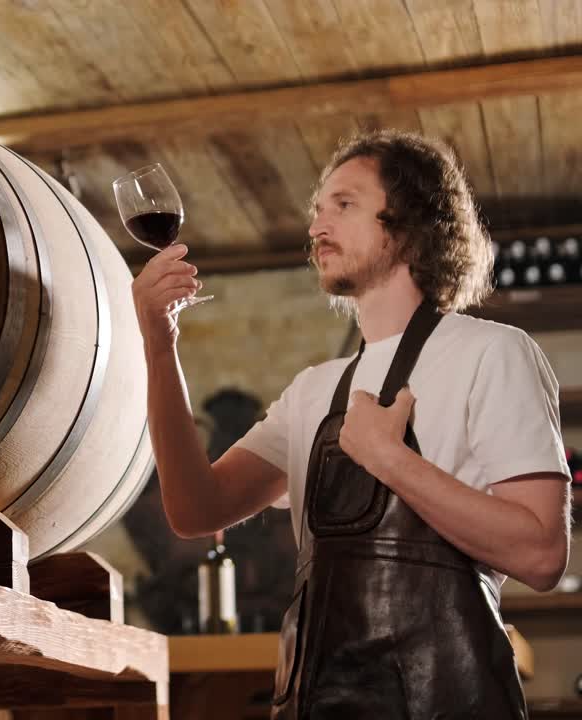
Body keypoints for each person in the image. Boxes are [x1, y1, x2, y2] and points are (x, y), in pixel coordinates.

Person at [132, 129, 572, 720]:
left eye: (344, 204)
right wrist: (159, 344)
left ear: (410, 222)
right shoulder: (311, 390)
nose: (318, 226)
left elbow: (542, 554)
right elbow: (195, 509)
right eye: (318, 210)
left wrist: (390, 458)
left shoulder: (493, 352)